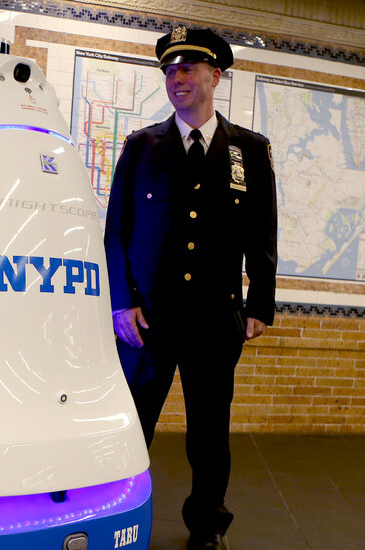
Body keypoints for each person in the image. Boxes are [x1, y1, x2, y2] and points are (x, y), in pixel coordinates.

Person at [103, 25, 278, 550]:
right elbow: (115, 233)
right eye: (170, 71)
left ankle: (207, 525)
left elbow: (262, 233)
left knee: (209, 435)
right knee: (133, 428)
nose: (177, 79)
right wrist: (121, 305)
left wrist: (260, 303)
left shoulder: (250, 150)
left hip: (214, 319)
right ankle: (116, 516)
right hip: (147, 322)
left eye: (188, 69)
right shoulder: (141, 147)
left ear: (215, 76)